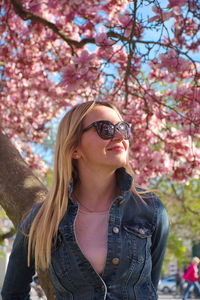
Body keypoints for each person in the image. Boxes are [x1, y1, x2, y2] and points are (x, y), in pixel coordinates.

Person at [1, 101, 169, 300]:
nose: (119, 136)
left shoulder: (150, 209)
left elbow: (149, 289)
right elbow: (13, 293)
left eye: (122, 128)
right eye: (105, 129)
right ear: (74, 149)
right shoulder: (42, 218)